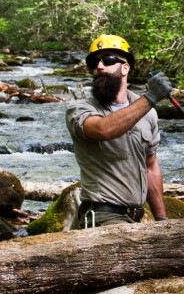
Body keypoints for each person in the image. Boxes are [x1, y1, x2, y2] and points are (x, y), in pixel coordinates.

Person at [65, 34, 174, 227]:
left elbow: (151, 166)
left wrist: (161, 220)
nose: (99, 66)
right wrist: (151, 97)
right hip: (102, 217)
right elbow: (103, 128)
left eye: (107, 60)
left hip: (136, 218)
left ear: (126, 67)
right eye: (94, 62)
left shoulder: (148, 113)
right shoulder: (79, 110)